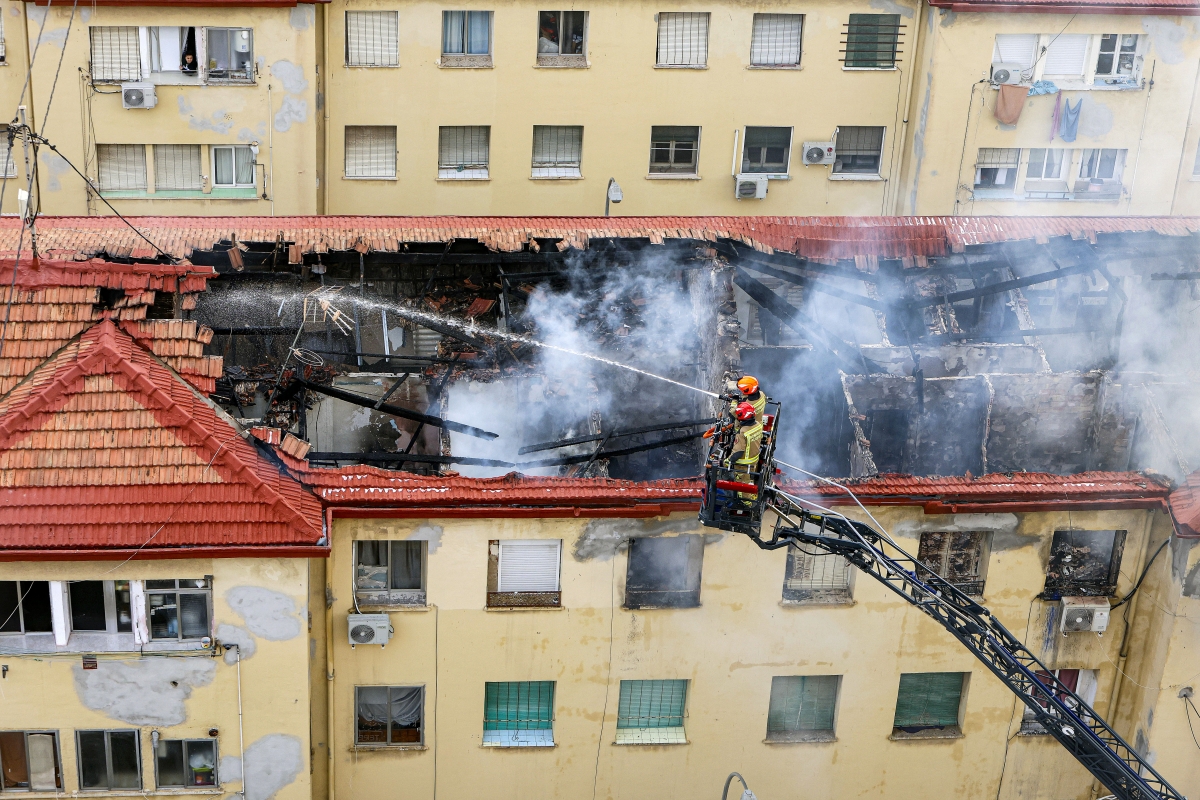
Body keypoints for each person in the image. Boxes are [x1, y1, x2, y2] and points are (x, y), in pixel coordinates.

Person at [726, 401, 763, 497]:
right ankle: (751, 494)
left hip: (743, 465)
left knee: (742, 486)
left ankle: (745, 503)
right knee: (748, 479)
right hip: (753, 460)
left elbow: (738, 453)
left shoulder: (743, 433)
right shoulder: (758, 425)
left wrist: (727, 461)